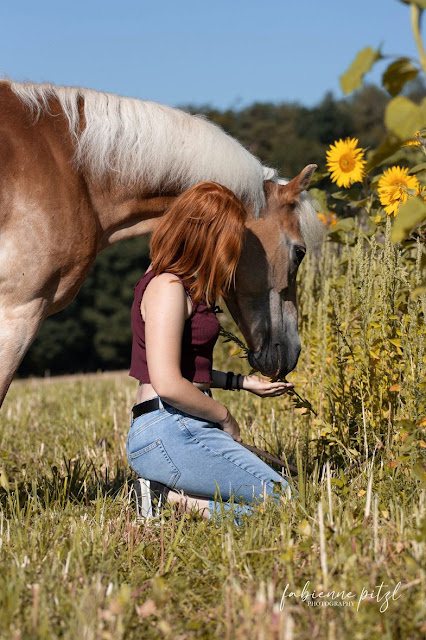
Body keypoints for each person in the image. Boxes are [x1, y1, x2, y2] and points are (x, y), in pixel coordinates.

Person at [126, 181, 295, 526]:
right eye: (231, 241)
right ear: (210, 237)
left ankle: (168, 498)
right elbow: (169, 383)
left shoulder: (180, 285)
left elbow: (185, 368)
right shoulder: (167, 288)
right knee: (282, 501)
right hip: (168, 427)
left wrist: (241, 382)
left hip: (181, 424)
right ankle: (168, 499)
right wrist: (224, 416)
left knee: (281, 503)